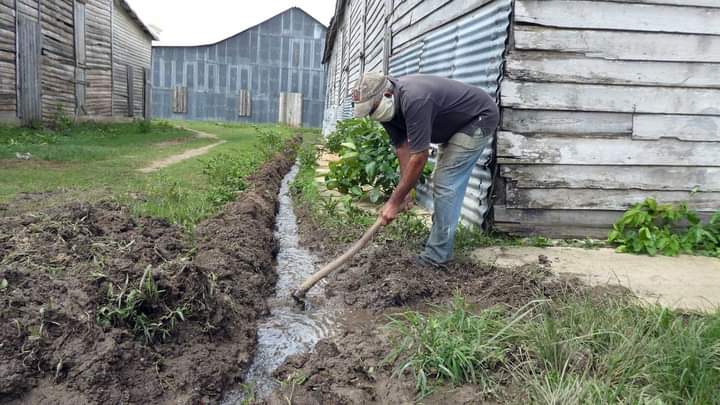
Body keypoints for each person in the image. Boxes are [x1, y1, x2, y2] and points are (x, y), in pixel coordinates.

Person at [352, 72, 499, 268]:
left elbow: (419, 157)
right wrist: (405, 192)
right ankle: (439, 240)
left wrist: (393, 202)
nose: (372, 116)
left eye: (372, 109)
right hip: (453, 126)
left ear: (387, 94)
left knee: (446, 182)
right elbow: (403, 147)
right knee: (443, 180)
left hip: (477, 118)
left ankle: (437, 256)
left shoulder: (415, 98)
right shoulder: (386, 109)